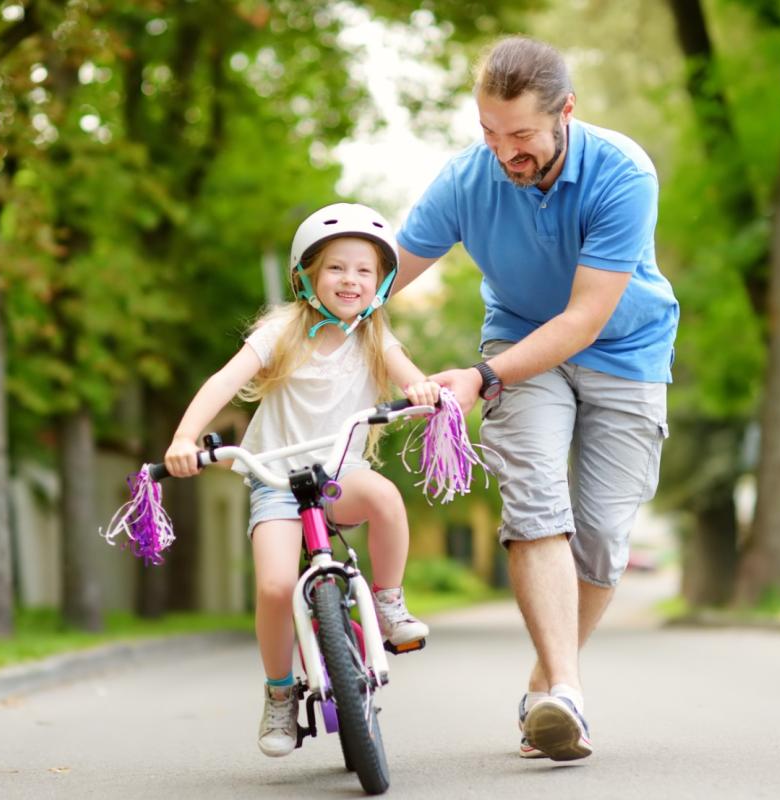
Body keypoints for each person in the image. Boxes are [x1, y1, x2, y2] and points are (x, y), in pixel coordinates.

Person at [393, 36, 679, 761]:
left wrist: (480, 381)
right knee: (535, 503)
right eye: (489, 132)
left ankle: (549, 685)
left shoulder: (622, 172)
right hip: (520, 349)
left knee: (605, 536)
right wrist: (317, 302)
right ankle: (566, 697)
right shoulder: (467, 179)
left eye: (520, 135)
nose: (503, 153)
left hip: (625, 349)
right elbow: (384, 272)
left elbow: (585, 319)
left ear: (566, 114)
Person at [163, 202, 442, 758]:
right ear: (308, 275)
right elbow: (223, 382)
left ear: (381, 281)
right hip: (276, 481)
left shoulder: (373, 336)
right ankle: (280, 692)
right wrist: (184, 438)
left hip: (342, 474)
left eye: (365, 270)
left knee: (385, 497)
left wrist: (423, 392)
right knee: (271, 587)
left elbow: (413, 379)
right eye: (337, 267)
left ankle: (387, 603)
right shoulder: (281, 331)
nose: (351, 280)